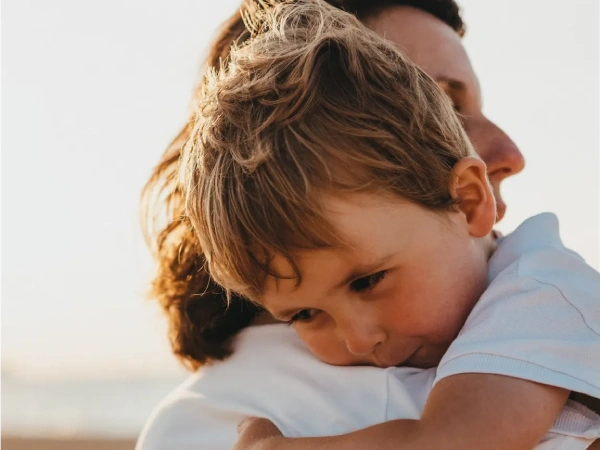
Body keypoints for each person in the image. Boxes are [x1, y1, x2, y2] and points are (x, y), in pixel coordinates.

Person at [135, 1, 596, 450]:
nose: (358, 340)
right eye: (305, 315)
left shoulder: (540, 290)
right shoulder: (223, 410)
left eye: (368, 281)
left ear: (466, 199)